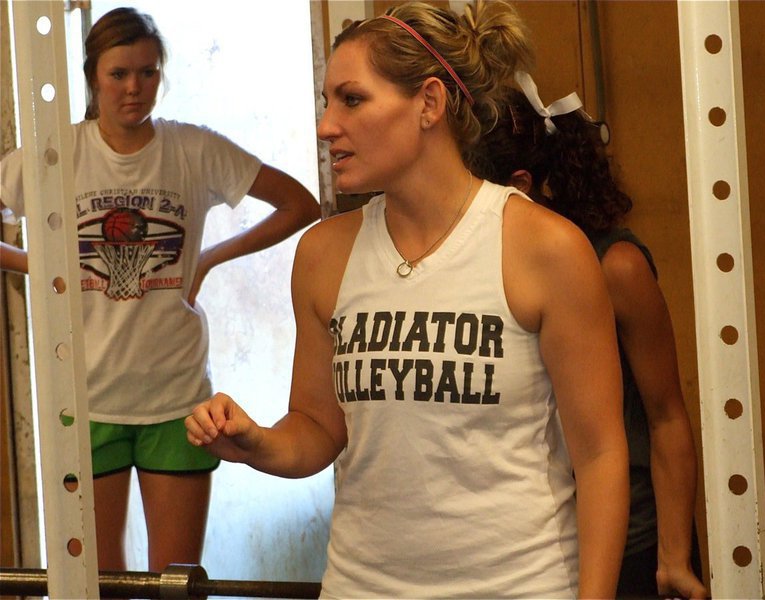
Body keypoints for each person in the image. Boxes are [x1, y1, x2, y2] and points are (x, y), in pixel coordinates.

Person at [185, 2, 629, 597]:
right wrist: (256, 443)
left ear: (428, 102)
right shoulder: (324, 254)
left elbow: (600, 454)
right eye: (326, 101)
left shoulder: (544, 249)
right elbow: (318, 427)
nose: (325, 126)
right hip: (362, 585)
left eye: (352, 99)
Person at [0, 7, 320, 572]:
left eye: (148, 73)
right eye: (119, 73)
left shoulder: (194, 149)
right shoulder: (56, 155)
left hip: (176, 397)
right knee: (100, 583)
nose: (134, 87)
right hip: (85, 394)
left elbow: (302, 204)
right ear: (93, 75)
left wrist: (210, 258)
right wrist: (40, 267)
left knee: (175, 583)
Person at [468, 74, 708, 599]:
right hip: (535, 546)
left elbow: (666, 414)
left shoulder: (614, 265)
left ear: (521, 185)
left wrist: (673, 558)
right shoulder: (471, 269)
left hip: (631, 543)